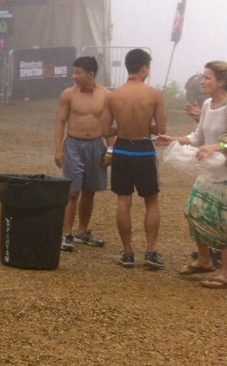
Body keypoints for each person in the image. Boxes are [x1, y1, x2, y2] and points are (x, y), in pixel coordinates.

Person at [155, 61, 227, 285]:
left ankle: (225, 273)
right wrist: (172, 139)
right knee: (193, 210)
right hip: (209, 169)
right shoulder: (207, 105)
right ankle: (204, 260)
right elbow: (198, 137)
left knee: (223, 219)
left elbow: (220, 143)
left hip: (225, 173)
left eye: (207, 77)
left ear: (220, 82)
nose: (202, 81)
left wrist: (218, 146)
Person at [105, 48, 166, 269]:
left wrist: (123, 128)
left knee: (123, 200)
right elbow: (161, 130)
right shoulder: (154, 94)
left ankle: (128, 253)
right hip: (143, 149)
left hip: (122, 148)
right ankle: (150, 252)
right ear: (144, 68)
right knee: (151, 200)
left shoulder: (114, 95)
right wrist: (143, 126)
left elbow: (105, 130)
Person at [54, 56, 112, 252]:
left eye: (78, 73)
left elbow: (110, 126)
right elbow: (60, 122)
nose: (74, 76)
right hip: (73, 145)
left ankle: (83, 231)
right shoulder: (68, 94)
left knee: (89, 191)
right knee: (72, 191)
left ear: (91, 74)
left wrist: (110, 150)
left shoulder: (106, 95)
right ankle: (67, 233)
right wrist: (58, 149)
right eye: (73, 72)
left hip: (96, 145)